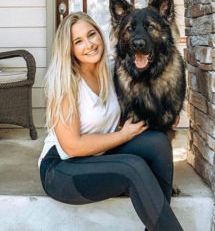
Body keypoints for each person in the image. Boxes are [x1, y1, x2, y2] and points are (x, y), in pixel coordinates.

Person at [38, 12, 183, 231]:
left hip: (98, 156)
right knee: (133, 167)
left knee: (158, 143)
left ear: (100, 34)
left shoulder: (111, 69)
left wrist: (168, 113)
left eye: (91, 35)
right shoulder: (65, 82)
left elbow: (148, 87)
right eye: (78, 41)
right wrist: (122, 135)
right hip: (61, 169)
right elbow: (72, 146)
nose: (89, 45)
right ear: (69, 49)